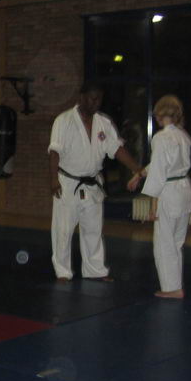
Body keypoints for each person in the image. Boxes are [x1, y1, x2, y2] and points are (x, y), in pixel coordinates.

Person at [48, 80, 143, 282]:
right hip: (67, 183)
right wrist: (53, 180)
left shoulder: (104, 123)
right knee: (63, 230)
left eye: (99, 99)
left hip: (92, 184)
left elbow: (117, 149)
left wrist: (136, 168)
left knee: (93, 230)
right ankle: (63, 271)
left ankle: (95, 270)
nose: (96, 103)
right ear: (81, 97)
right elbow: (54, 152)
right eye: (92, 98)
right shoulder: (63, 121)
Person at [128, 95, 191, 299]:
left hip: (169, 192)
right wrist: (139, 175)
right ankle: (176, 285)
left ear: (159, 114)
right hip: (184, 189)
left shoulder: (161, 138)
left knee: (164, 242)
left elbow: (159, 171)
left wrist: (152, 205)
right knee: (176, 242)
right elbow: (163, 164)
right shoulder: (183, 136)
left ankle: (171, 288)